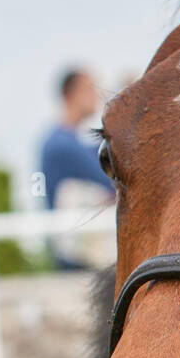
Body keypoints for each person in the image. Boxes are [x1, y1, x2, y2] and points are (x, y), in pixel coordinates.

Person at [38, 70, 114, 270]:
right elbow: (114, 184)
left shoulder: (64, 141)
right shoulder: (62, 145)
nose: (96, 95)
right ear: (69, 94)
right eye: (90, 88)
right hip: (76, 254)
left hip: (76, 250)